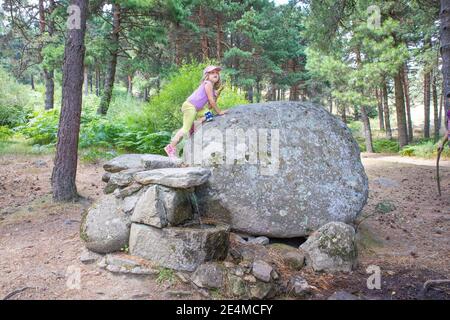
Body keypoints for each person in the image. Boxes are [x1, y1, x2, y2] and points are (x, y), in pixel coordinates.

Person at [164, 65, 226, 158]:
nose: (215, 74)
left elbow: (209, 106)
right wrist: (220, 112)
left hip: (198, 108)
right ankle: (170, 147)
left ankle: (194, 124)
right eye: (212, 73)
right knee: (185, 129)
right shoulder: (207, 83)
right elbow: (212, 102)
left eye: (217, 73)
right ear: (207, 76)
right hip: (190, 106)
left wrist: (217, 94)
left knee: (209, 115)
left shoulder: (212, 88)